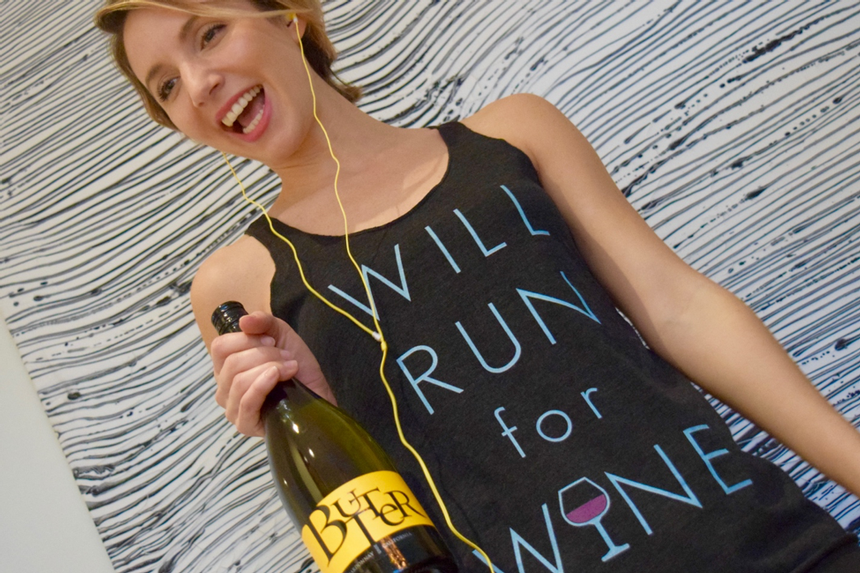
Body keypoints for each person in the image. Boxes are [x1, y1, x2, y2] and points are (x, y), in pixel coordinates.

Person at [95, 1, 860, 571]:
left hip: (769, 546)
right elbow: (370, 519)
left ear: (287, 16)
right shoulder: (237, 286)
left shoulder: (513, 135)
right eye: (165, 86)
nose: (197, 84)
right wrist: (318, 403)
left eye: (207, 32)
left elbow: (680, 308)